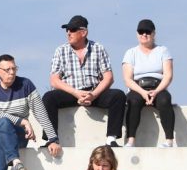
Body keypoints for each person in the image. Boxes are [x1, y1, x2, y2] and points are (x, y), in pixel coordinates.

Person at [42, 15, 126, 148]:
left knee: (118, 95)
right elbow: (54, 80)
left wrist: (94, 94)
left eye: (72, 30)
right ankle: (51, 139)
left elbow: (109, 77)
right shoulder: (61, 50)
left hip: (94, 92)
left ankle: (111, 138)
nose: (68, 33)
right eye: (67, 30)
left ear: (84, 32)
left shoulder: (98, 48)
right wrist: (76, 93)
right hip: (71, 91)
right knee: (48, 97)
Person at [0, 55, 59, 170]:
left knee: (0, 137)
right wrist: (23, 122)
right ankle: (15, 161)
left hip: (17, 135)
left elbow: (40, 112)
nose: (12, 73)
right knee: (3, 123)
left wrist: (53, 139)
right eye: (7, 70)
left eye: (14, 69)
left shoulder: (26, 84)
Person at [121, 19, 175, 148]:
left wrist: (156, 91)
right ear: (137, 34)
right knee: (133, 101)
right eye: (141, 32)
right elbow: (128, 79)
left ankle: (169, 140)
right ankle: (131, 140)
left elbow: (168, 75)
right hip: (137, 87)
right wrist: (143, 92)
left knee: (165, 100)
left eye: (147, 32)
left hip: (158, 87)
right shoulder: (131, 53)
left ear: (153, 34)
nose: (144, 34)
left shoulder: (163, 50)